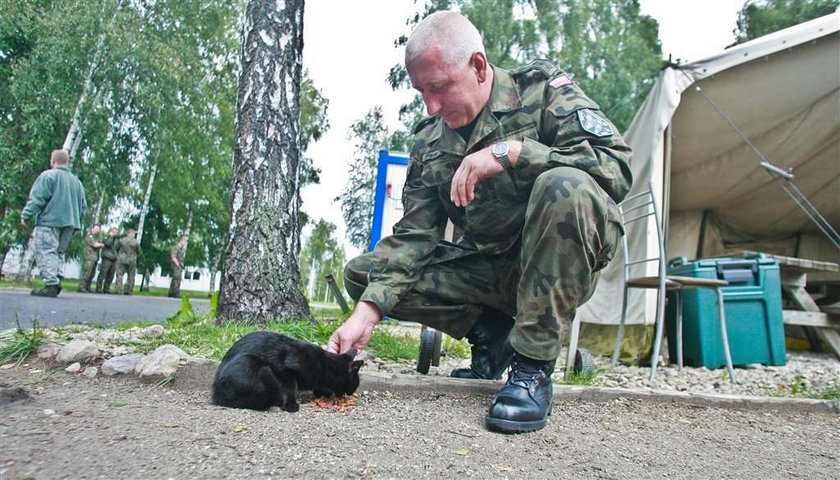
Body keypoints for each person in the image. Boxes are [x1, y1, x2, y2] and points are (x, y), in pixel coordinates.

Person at [327, 11, 632, 433]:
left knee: (565, 185)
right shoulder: (430, 140)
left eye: (438, 88)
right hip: (488, 269)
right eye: (421, 91)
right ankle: (493, 334)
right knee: (366, 276)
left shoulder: (543, 92)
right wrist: (366, 315)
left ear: (478, 66)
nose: (431, 105)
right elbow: (415, 237)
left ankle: (531, 369)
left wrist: (517, 153)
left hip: (555, 268)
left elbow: (616, 169)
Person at [19, 149, 88, 297]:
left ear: (53, 160)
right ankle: (56, 277)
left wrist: (26, 214)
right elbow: (83, 207)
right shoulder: (77, 182)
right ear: (67, 162)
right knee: (58, 252)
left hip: (50, 221)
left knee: (46, 250)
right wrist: (76, 220)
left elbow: (38, 199)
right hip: (71, 223)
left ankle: (51, 283)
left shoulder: (48, 176)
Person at [113, 228, 141, 295]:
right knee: (131, 276)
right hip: (132, 260)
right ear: (130, 233)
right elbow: (139, 251)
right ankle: (129, 290)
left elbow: (116, 248)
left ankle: (118, 289)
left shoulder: (121, 240)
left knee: (119, 275)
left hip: (122, 259)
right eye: (133, 233)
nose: (134, 235)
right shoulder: (136, 242)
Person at [78, 224, 104, 293]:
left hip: (95, 258)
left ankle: (87, 287)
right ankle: (81, 287)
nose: (97, 230)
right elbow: (95, 245)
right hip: (89, 257)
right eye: (96, 229)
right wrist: (101, 245)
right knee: (87, 273)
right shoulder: (89, 236)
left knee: (92, 273)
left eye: (98, 229)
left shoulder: (98, 238)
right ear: (92, 229)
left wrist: (100, 244)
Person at [95, 227, 119, 293]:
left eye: (116, 232)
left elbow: (118, 248)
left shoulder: (117, 240)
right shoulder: (106, 237)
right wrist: (111, 237)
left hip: (114, 259)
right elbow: (107, 244)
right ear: (110, 232)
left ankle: (106, 288)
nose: (115, 233)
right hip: (107, 258)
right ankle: (98, 288)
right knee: (103, 273)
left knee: (111, 275)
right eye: (114, 232)